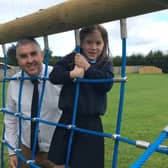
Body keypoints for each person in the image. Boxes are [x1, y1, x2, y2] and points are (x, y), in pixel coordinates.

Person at [48, 25, 114, 168]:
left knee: (87, 162)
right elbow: (54, 76)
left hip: (91, 122)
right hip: (68, 117)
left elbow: (106, 84)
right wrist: (71, 74)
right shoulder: (72, 59)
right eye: (89, 42)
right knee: (60, 161)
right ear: (81, 43)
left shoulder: (105, 64)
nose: (93, 47)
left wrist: (87, 68)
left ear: (104, 44)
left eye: (98, 43)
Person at [4, 38, 62, 168]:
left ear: (41, 55)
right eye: (23, 56)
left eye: (33, 54)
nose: (30, 60)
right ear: (18, 60)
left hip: (56, 149)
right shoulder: (14, 82)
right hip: (27, 148)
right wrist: (12, 152)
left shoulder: (58, 77)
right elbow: (10, 119)